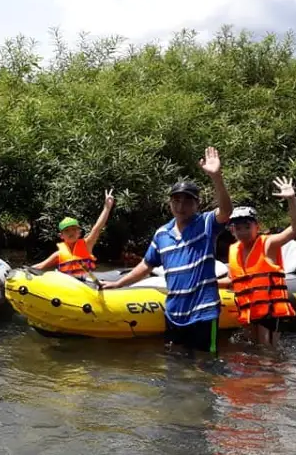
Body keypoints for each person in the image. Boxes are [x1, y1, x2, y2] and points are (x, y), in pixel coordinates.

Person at [100, 147, 233, 355]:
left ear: (197, 204)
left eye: (187, 201)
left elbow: (226, 211)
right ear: (170, 203)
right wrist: (118, 284)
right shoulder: (162, 234)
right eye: (176, 200)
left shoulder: (206, 224)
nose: (181, 206)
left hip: (204, 313)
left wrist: (216, 177)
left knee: (206, 368)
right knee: (175, 371)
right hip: (174, 314)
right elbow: (146, 265)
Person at [218, 177, 296, 347]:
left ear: (257, 226)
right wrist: (209, 283)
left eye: (247, 227)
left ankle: (274, 372)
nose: (243, 232)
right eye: (238, 228)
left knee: (267, 350)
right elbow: (232, 280)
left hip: (270, 310)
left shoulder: (268, 243)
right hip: (249, 311)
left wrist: (291, 200)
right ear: (232, 230)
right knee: (254, 350)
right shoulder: (233, 250)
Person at [31, 189, 115, 280]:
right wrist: (21, 271)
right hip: (69, 287)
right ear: (61, 236)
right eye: (67, 231)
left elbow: (97, 228)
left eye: (74, 229)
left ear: (79, 233)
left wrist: (107, 208)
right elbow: (40, 266)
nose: (71, 232)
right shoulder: (58, 254)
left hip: (86, 285)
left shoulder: (87, 245)